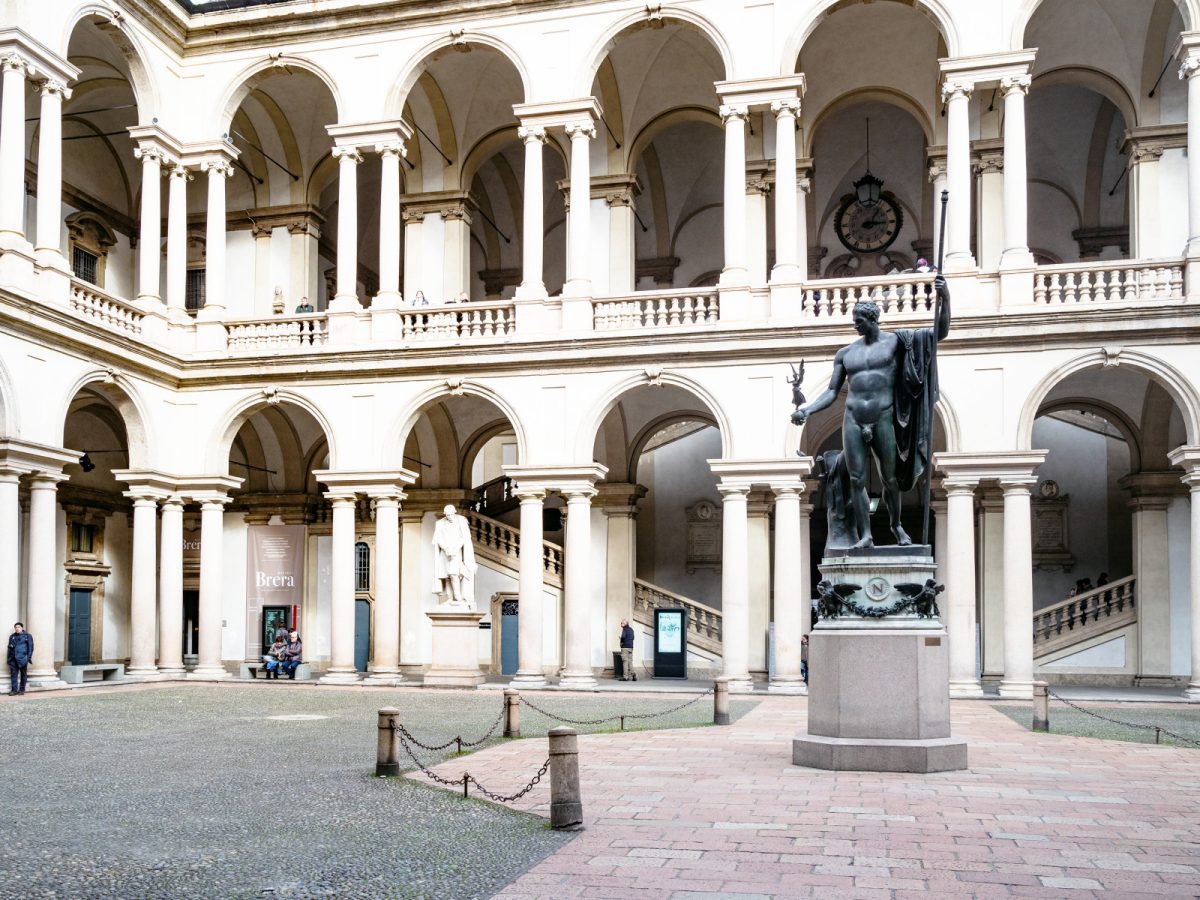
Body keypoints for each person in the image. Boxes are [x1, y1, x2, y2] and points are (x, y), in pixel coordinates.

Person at [792, 275, 950, 550]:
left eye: (859, 320)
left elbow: (940, 332)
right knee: (855, 479)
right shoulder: (845, 354)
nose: (855, 324)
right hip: (853, 418)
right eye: (854, 320)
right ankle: (866, 535)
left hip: (883, 418)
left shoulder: (897, 342)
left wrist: (945, 297)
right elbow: (832, 392)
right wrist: (807, 410)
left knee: (889, 478)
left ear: (873, 319)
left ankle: (896, 525)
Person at [432, 504, 477, 608]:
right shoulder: (440, 523)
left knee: (453, 573)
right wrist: (445, 548)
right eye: (447, 515)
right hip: (445, 552)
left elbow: (465, 537)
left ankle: (458, 597)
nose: (449, 517)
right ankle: (450, 598)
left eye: (451, 515)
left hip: (456, 551)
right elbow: (438, 538)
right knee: (446, 575)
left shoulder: (461, 521)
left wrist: (455, 548)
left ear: (454, 512)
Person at [7, 622, 32, 695]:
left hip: (23, 658)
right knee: (13, 675)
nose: (17, 628)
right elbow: (9, 648)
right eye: (16, 627)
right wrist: (8, 659)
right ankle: (14, 690)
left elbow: (30, 647)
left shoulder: (27, 636)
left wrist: (28, 658)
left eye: (18, 627)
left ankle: (22, 690)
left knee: (23, 674)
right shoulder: (12, 636)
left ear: (22, 628)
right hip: (13, 659)